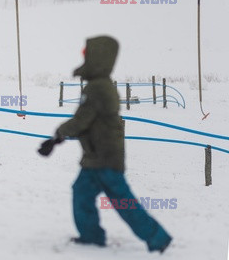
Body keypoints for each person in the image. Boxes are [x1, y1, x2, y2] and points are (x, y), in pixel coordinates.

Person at [38, 36, 172, 253]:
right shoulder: (99, 85)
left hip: (104, 158)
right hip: (96, 157)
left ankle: (157, 237)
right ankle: (91, 236)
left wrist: (58, 135)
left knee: (123, 202)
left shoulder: (97, 88)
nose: (83, 57)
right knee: (82, 193)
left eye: (86, 54)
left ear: (97, 58)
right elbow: (87, 122)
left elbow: (82, 119)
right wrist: (59, 138)